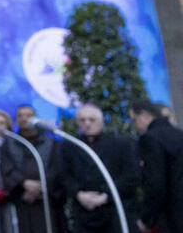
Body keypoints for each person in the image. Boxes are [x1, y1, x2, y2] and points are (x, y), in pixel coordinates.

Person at [60, 104, 137, 233]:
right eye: (82, 120)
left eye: (92, 119)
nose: (87, 124)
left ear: (101, 121)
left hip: (114, 212)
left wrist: (105, 196)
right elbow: (64, 175)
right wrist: (79, 194)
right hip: (83, 215)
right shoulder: (70, 146)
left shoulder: (120, 144)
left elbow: (131, 175)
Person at [1, 105, 65, 233]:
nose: (24, 118)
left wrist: (39, 188)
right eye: (20, 115)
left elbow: (57, 168)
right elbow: (7, 168)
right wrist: (24, 183)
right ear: (16, 120)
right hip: (23, 198)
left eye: (28, 115)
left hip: (48, 199)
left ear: (35, 118)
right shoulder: (9, 143)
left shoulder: (51, 141)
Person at [131, 100, 183, 233]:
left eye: (134, 120)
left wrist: (147, 220)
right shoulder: (179, 134)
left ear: (144, 115)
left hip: (171, 217)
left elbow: (156, 184)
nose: (136, 126)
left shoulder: (150, 139)